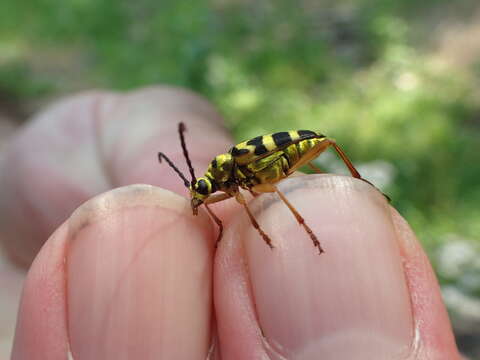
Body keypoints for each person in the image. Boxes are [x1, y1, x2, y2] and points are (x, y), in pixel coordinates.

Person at [1, 87, 461, 359]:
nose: (201, 198)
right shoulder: (224, 186)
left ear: (210, 181)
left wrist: (278, 230)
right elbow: (228, 203)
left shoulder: (236, 172)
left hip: (279, 155)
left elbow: (265, 189)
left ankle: (355, 185)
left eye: (200, 191)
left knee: (285, 181)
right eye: (201, 194)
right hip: (267, 166)